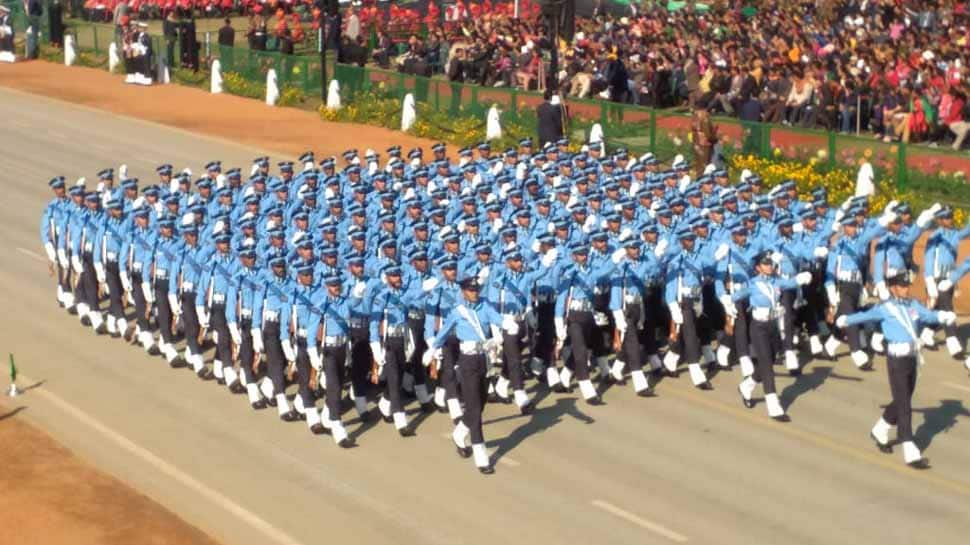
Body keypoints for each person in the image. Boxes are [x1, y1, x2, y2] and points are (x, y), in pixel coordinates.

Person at [838, 273, 956, 468]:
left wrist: (942, 315)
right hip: (896, 359)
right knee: (904, 406)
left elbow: (927, 315)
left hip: (912, 358)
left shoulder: (913, 305)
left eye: (906, 286)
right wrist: (846, 320)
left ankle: (880, 429)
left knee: (904, 398)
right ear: (893, 288)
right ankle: (909, 447)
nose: (905, 289)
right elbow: (864, 316)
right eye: (901, 286)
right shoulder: (885, 308)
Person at [427, 274, 505, 474]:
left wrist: (507, 324)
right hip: (467, 360)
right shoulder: (457, 312)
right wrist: (432, 350)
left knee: (481, 402)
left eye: (476, 290)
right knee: (474, 407)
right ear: (463, 292)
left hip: (483, 359)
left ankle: (460, 432)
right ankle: (481, 456)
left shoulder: (485, 306)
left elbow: (498, 318)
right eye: (471, 290)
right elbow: (443, 332)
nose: (474, 293)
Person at [731, 251, 813, 421]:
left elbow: (789, 283)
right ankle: (774, 406)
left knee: (770, 358)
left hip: (772, 326)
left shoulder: (776, 281)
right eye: (765, 264)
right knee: (768, 367)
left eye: (770, 263)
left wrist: (800, 279)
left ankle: (747, 385)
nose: (769, 266)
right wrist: (727, 303)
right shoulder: (753, 284)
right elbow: (736, 296)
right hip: (758, 327)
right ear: (758, 267)